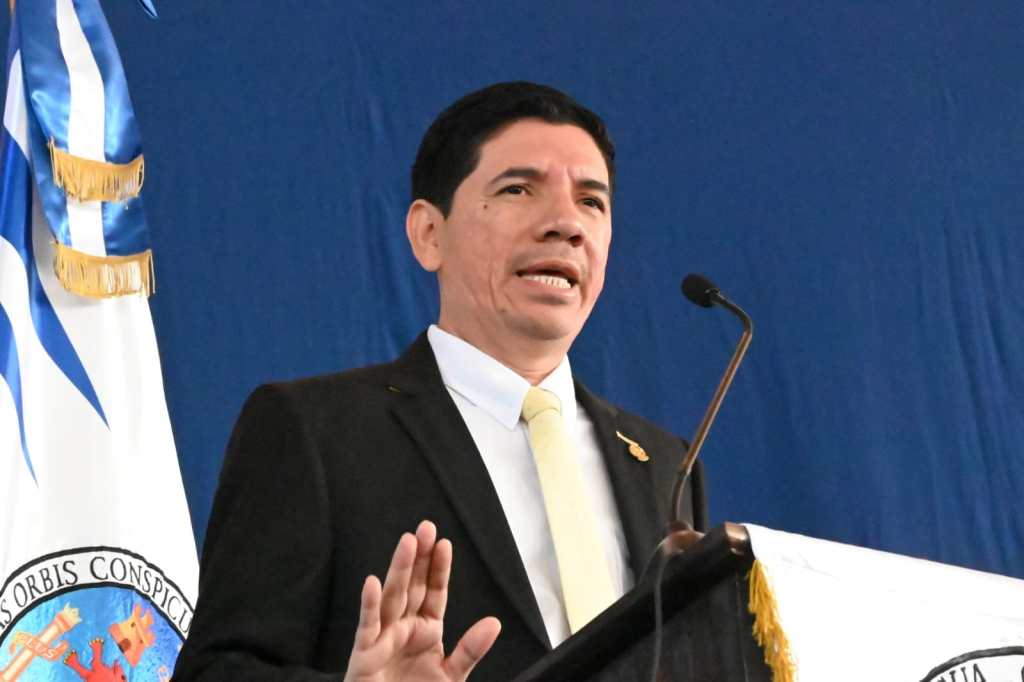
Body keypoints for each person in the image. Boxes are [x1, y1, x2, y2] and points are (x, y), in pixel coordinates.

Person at [172, 81, 706, 681]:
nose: (566, 224)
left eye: (592, 202)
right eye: (518, 189)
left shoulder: (665, 463)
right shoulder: (316, 432)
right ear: (429, 234)